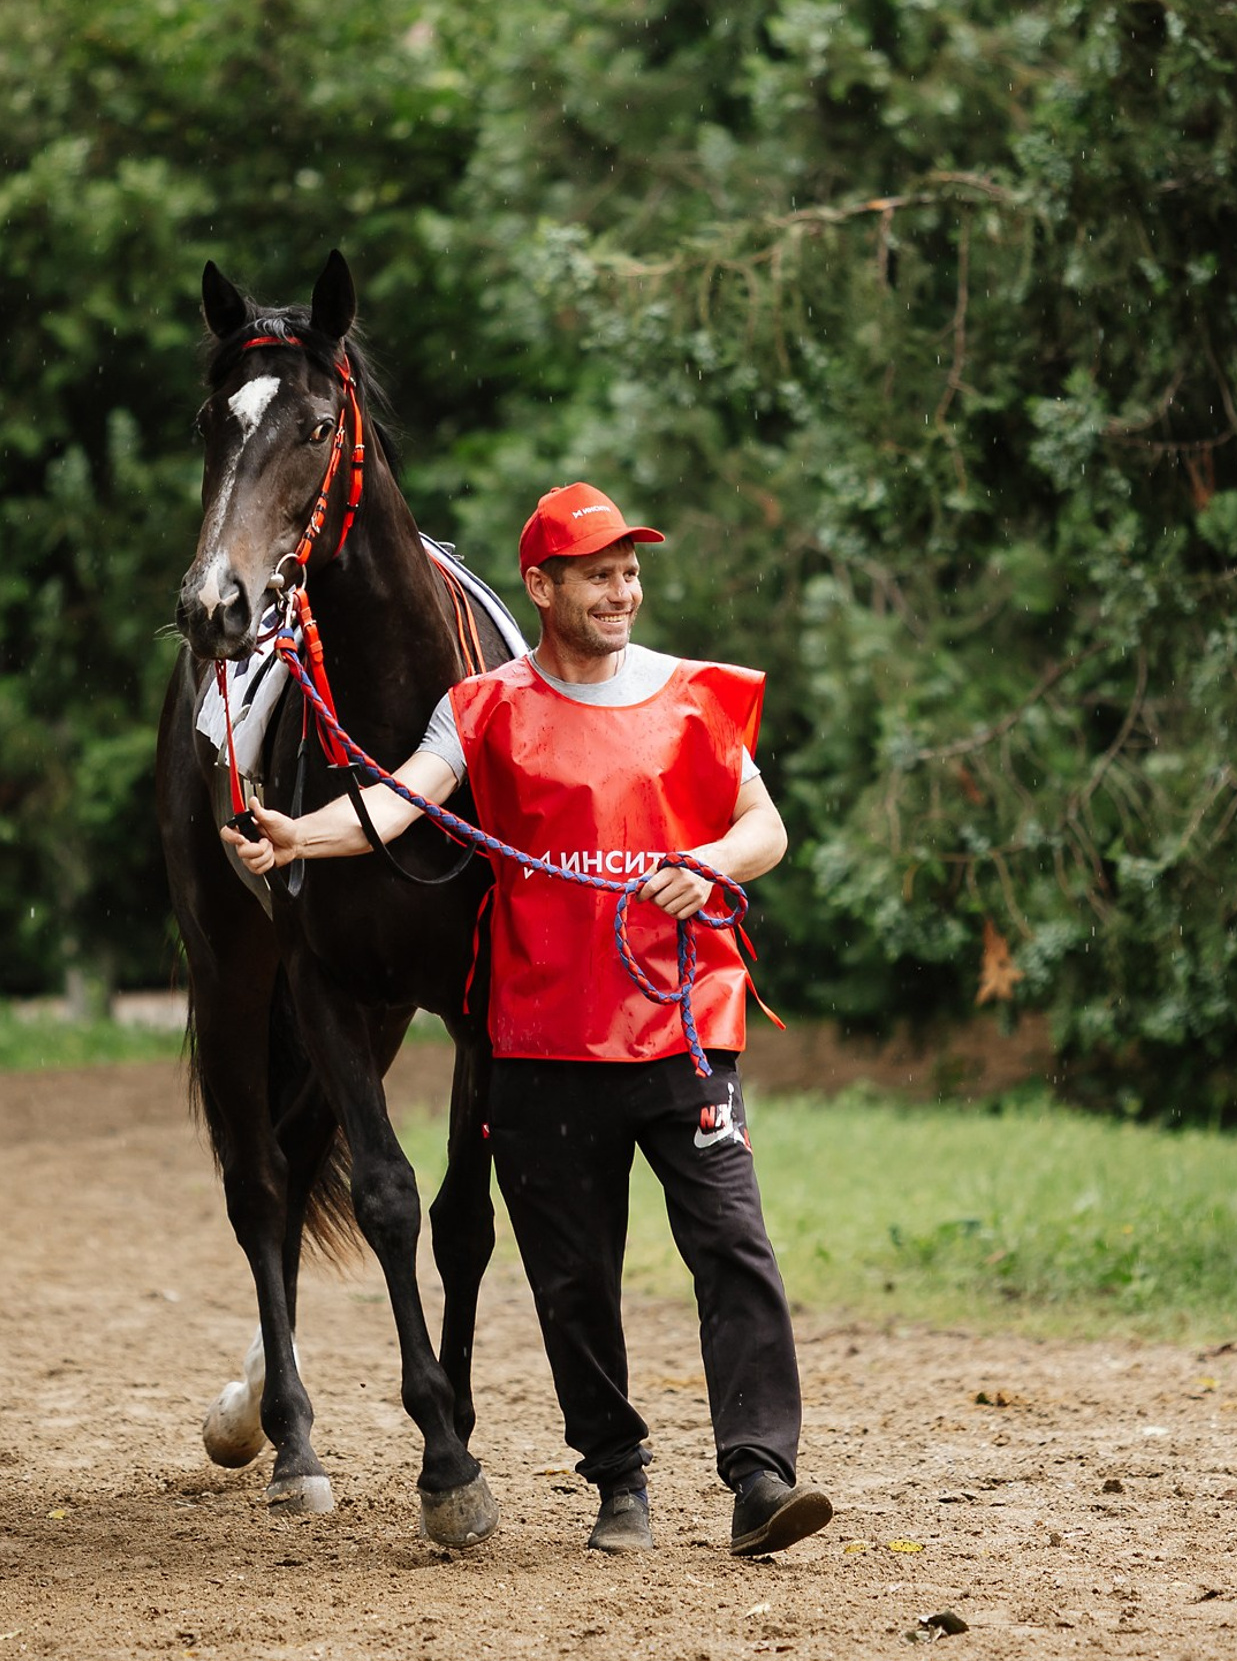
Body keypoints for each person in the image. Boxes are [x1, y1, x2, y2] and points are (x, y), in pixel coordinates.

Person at [225, 482, 831, 1559]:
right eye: (597, 573)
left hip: (684, 1027)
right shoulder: (482, 709)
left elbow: (763, 826)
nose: (622, 590)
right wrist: (293, 839)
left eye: (630, 571)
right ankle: (618, 1482)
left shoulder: (691, 695)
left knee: (734, 1245)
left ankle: (760, 1476)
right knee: (573, 1278)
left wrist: (708, 865)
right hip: (545, 1044)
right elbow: (397, 800)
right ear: (541, 586)